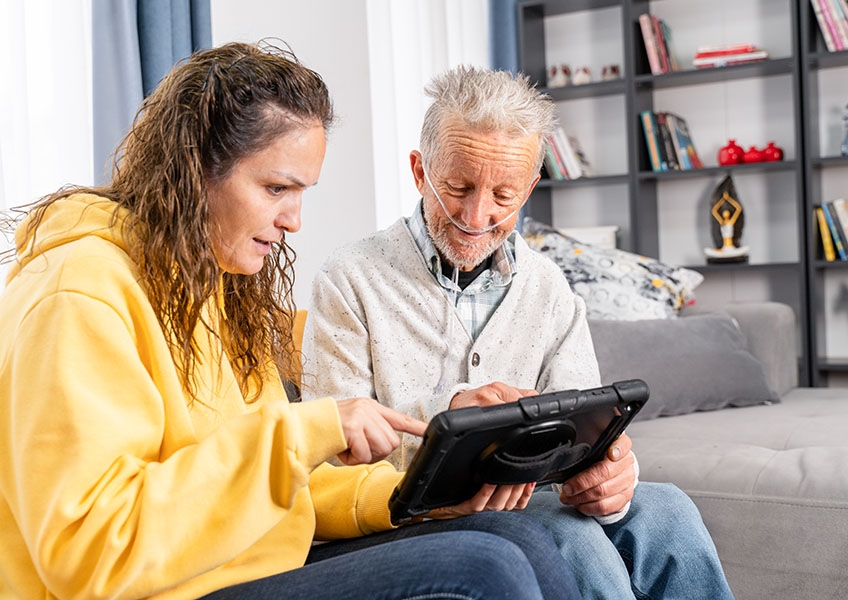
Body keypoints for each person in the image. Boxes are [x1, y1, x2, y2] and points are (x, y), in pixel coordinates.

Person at [0, 42, 583, 600]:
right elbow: (91, 551)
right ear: (191, 172)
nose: (295, 221)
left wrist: (419, 499)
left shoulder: (212, 288)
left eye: (302, 192)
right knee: (485, 567)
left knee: (516, 536)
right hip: (166, 591)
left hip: (240, 568)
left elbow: (281, 488)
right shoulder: (77, 295)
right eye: (276, 187)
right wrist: (306, 431)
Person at [304, 65, 735, 600]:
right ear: (420, 171)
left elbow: (587, 429)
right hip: (417, 518)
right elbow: (326, 456)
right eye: (457, 187)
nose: (476, 215)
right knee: (572, 540)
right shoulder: (350, 278)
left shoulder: (548, 286)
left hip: (532, 498)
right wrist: (448, 415)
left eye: (503, 195)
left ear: (530, 187)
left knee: (668, 510)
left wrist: (611, 476)